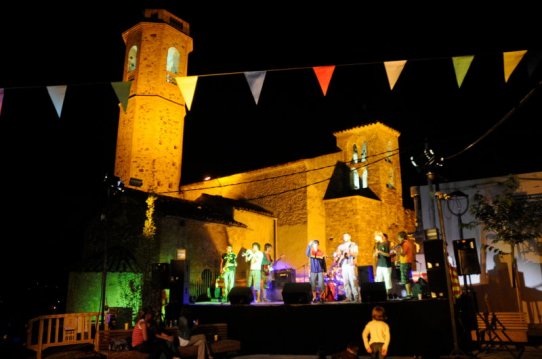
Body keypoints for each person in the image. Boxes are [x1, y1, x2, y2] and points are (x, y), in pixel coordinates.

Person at [334, 233, 360, 302]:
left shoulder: (353, 245)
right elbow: (337, 254)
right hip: (344, 265)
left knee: (353, 281)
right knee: (346, 281)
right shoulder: (341, 246)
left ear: (350, 237)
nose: (345, 237)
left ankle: (356, 297)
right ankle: (348, 297)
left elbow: (356, 253)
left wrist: (350, 253)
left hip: (351, 264)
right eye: (344, 236)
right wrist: (337, 256)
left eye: (346, 236)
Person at [396, 231, 416, 298]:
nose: (398, 239)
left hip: (405, 263)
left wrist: (397, 252)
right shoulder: (410, 243)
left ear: (401, 237)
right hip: (409, 262)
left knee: (405, 279)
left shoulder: (405, 244)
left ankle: (408, 294)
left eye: (398, 238)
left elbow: (403, 253)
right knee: (408, 278)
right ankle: (410, 293)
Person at [373, 232, 393, 298]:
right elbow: (375, 256)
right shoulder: (378, 244)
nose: (375, 238)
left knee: (387, 280)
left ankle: (387, 295)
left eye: (376, 236)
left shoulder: (387, 244)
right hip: (380, 265)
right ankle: (381, 294)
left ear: (381, 237)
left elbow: (388, 255)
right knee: (379, 279)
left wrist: (380, 252)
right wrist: (375, 254)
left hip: (386, 265)